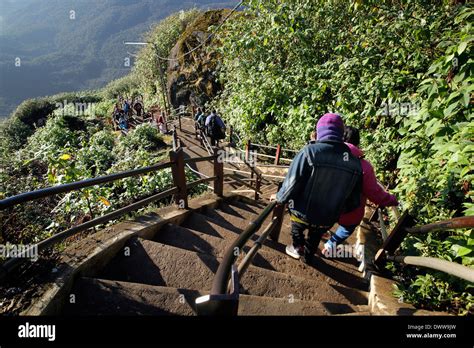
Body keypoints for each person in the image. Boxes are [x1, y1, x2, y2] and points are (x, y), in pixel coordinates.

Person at [275, 113, 363, 264]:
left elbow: (292, 183)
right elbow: (354, 200)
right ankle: (308, 257)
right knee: (315, 235)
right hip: (326, 218)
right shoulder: (355, 163)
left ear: (320, 131)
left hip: (300, 212)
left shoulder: (309, 152)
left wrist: (280, 198)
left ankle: (297, 248)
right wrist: (336, 210)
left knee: (297, 229)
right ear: (340, 134)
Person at [322, 126, 399, 256]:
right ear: (357, 143)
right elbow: (375, 194)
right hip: (351, 211)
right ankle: (329, 246)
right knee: (347, 228)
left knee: (323, 218)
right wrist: (393, 200)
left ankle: (319, 231)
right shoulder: (365, 167)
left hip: (326, 205)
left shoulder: (327, 155)